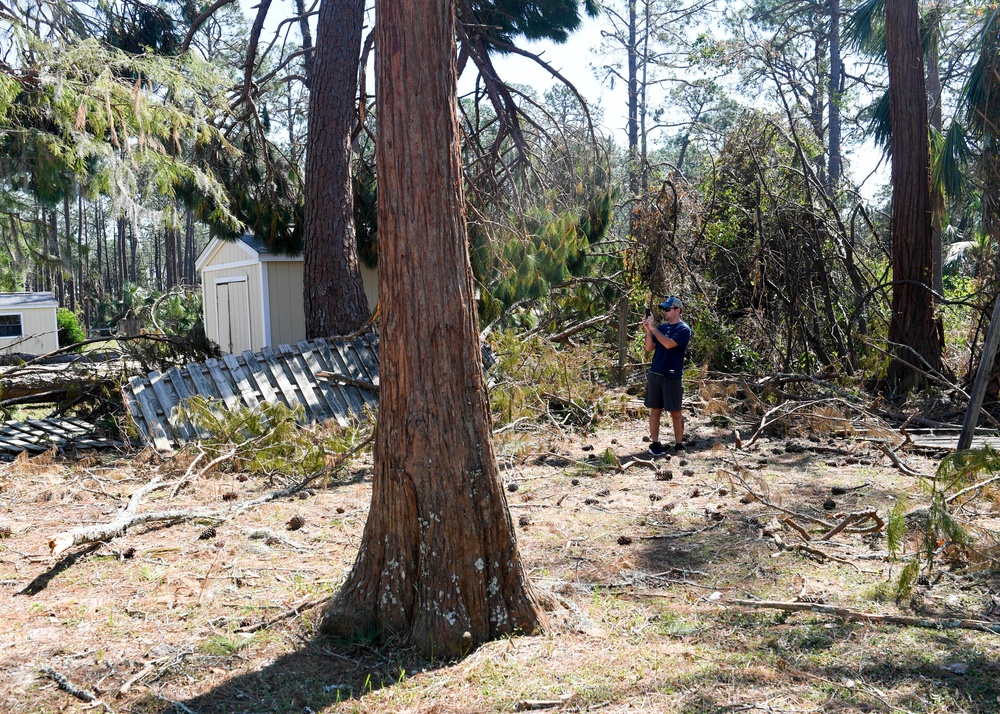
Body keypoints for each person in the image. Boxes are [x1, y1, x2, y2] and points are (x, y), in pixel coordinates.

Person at [642, 296, 691, 456]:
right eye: (663, 309)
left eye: (667, 309)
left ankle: (679, 444)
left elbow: (669, 344)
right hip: (656, 372)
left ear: (677, 310)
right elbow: (649, 348)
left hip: (673, 375)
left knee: (675, 412)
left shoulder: (683, 329)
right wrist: (649, 330)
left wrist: (653, 328)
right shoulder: (661, 328)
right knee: (655, 410)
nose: (664, 312)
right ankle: (655, 444)